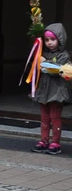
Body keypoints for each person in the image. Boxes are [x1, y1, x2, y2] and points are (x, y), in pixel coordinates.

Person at [33, 24, 71, 155]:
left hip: (56, 92)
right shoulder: (42, 53)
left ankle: (56, 142)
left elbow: (57, 70)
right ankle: (44, 140)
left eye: (53, 40)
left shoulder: (64, 55)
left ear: (60, 40)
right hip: (44, 91)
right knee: (44, 117)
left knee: (55, 117)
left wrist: (43, 62)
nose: (50, 43)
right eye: (47, 40)